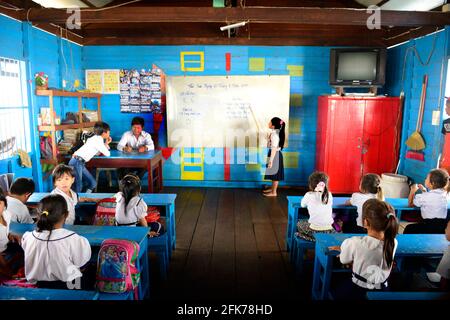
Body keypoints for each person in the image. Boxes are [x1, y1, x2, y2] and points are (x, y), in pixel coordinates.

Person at [329, 199, 399, 300]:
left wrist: (344, 249)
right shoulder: (393, 242)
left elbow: (344, 260)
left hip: (359, 289)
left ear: (366, 222)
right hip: (383, 288)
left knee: (334, 291)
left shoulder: (353, 242)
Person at [21, 194, 92, 289]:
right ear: (66, 214)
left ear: (39, 214)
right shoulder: (73, 239)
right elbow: (81, 262)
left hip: (40, 284)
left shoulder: (28, 237)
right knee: (91, 272)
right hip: (69, 285)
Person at [68, 121, 112, 193]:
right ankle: (76, 203)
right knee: (78, 187)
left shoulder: (95, 138)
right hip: (77, 162)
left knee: (92, 183)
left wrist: (106, 143)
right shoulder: (98, 141)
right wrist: (106, 143)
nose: (109, 134)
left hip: (79, 162)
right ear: (104, 133)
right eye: (108, 132)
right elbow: (107, 154)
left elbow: (97, 153)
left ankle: (85, 198)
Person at [405, 168, 449, 234]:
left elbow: (410, 204)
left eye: (426, 178)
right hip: (443, 228)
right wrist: (424, 191)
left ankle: (407, 244)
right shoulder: (446, 194)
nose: (425, 180)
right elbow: (432, 197)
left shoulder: (424, 197)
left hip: (429, 227)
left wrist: (412, 191)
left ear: (432, 183)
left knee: (409, 228)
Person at [296, 171, 335, 241]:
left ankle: (311, 238)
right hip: (329, 231)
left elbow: (302, 205)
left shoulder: (309, 195)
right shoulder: (329, 194)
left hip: (314, 232)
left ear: (311, 185)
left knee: (299, 223)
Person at [0, 189, 22, 278]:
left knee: (26, 252)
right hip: (1, 256)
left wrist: (10, 235)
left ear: (4, 204)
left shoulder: (6, 215)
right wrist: (7, 269)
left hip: (6, 250)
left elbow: (5, 231)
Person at [262, 117, 285, 197]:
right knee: (273, 173)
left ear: (273, 125)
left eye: (270, 122)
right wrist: (268, 140)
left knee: (275, 175)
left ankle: (274, 192)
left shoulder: (275, 134)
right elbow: (270, 146)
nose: (268, 123)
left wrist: (271, 161)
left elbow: (274, 149)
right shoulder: (275, 133)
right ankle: (272, 189)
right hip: (274, 154)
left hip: (274, 155)